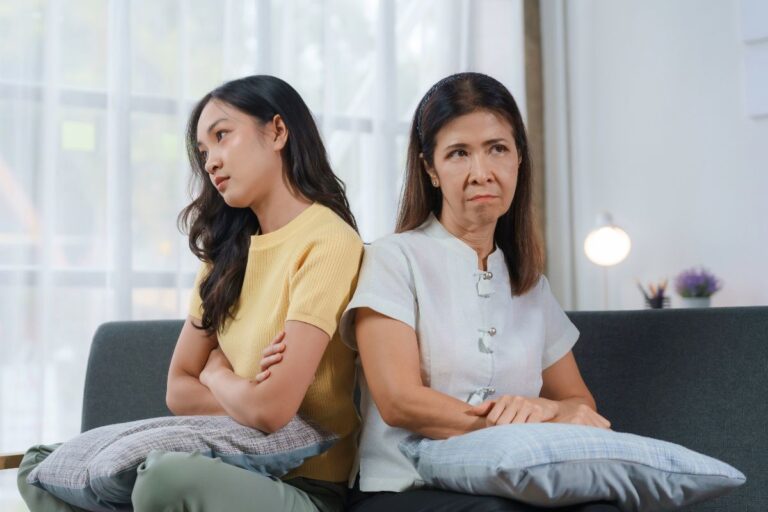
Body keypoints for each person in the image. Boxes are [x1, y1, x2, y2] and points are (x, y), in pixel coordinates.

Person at [261, 72, 611, 511]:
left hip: (506, 483)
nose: (481, 173)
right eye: (459, 153)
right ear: (431, 169)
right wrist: (520, 427)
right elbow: (399, 401)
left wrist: (548, 410)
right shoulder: (393, 259)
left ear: (519, 158)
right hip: (404, 487)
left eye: (497, 149)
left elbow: (578, 402)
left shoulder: (530, 284)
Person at [17, 75, 363, 512]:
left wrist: (216, 374)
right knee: (40, 465)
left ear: (277, 132)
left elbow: (272, 410)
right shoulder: (225, 255)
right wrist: (247, 395)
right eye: (202, 152)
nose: (211, 162)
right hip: (221, 461)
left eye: (222, 136)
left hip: (305, 486)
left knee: (164, 478)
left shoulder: (328, 241)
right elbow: (178, 389)